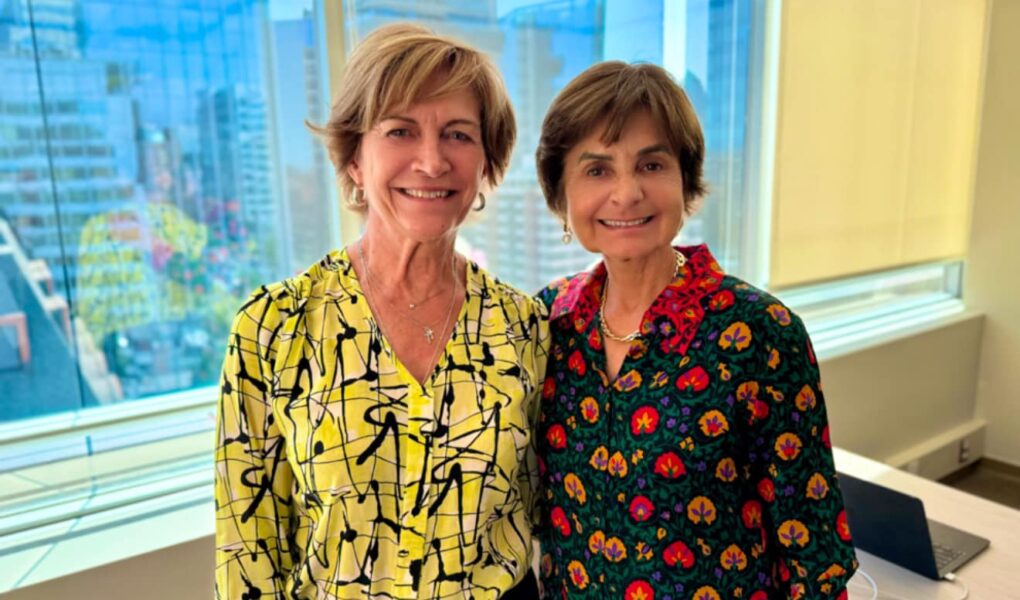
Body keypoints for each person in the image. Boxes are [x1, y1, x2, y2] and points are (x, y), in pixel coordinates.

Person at [214, 23, 547, 600]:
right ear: (354, 159)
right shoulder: (273, 328)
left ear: (486, 163)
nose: (432, 161)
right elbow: (248, 554)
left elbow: (547, 509)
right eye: (400, 131)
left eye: (458, 135)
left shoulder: (523, 327)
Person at [534, 61, 858, 599]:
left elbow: (813, 549)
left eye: (651, 164)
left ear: (685, 181)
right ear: (560, 193)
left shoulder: (759, 333)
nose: (627, 193)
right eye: (597, 170)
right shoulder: (549, 321)